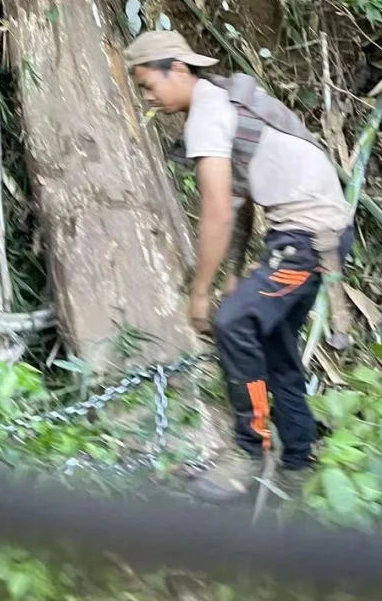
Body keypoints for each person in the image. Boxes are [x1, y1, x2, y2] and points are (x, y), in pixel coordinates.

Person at [123, 29, 354, 503]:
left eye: (150, 84)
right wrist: (233, 271)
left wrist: (201, 292)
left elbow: (217, 211)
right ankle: (298, 456)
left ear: (180, 69)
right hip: (315, 233)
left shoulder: (208, 115)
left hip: (306, 236)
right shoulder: (225, 100)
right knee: (274, 343)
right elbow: (241, 197)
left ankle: (249, 451)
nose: (149, 97)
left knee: (234, 321)